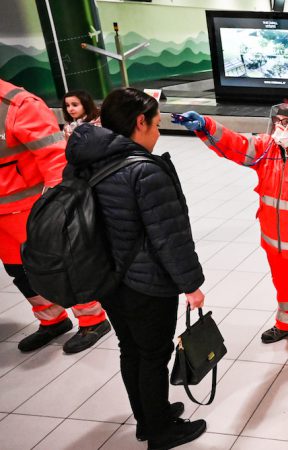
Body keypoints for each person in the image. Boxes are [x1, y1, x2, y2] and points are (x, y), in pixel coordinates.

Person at [64, 87, 206, 448]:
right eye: (156, 124)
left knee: (131, 349)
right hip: (146, 283)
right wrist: (191, 284)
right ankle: (160, 432)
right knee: (154, 355)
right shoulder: (144, 170)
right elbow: (169, 236)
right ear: (140, 122)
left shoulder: (85, 158)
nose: (158, 133)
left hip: (107, 277)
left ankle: (148, 418)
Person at [175, 99, 288, 359]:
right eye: (276, 122)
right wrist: (205, 126)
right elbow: (234, 145)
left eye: (286, 123)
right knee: (284, 288)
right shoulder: (267, 150)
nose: (279, 128)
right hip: (275, 243)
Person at [0, 79, 112, 355]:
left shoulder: (17, 104)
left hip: (31, 209)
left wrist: (56, 206)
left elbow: (54, 157)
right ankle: (52, 320)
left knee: (61, 266)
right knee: (18, 272)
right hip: (3, 217)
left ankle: (93, 319)